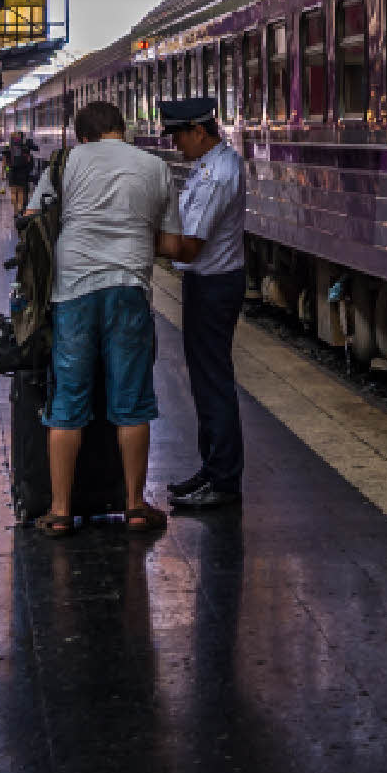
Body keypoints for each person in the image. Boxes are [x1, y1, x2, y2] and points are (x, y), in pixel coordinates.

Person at [34, 99, 174, 535]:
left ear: (83, 136)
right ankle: (134, 506)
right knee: (132, 401)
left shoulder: (66, 162)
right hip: (129, 286)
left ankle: (60, 511)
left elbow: (33, 220)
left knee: (68, 401)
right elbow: (168, 241)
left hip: (73, 289)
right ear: (121, 129)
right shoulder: (154, 166)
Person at [158, 97, 246, 511]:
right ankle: (211, 469)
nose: (175, 144)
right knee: (205, 381)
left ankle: (223, 479)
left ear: (198, 130)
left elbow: (190, 247)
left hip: (213, 287)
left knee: (213, 384)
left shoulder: (216, 175)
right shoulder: (209, 165)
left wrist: (137, 239)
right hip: (208, 284)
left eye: (178, 135)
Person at [3, 132, 38, 216]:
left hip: (12, 172)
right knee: (21, 191)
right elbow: (36, 149)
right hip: (23, 172)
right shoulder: (25, 144)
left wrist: (7, 171)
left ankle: (15, 211)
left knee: (13, 192)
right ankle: (20, 209)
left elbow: (5, 161)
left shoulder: (8, 146)